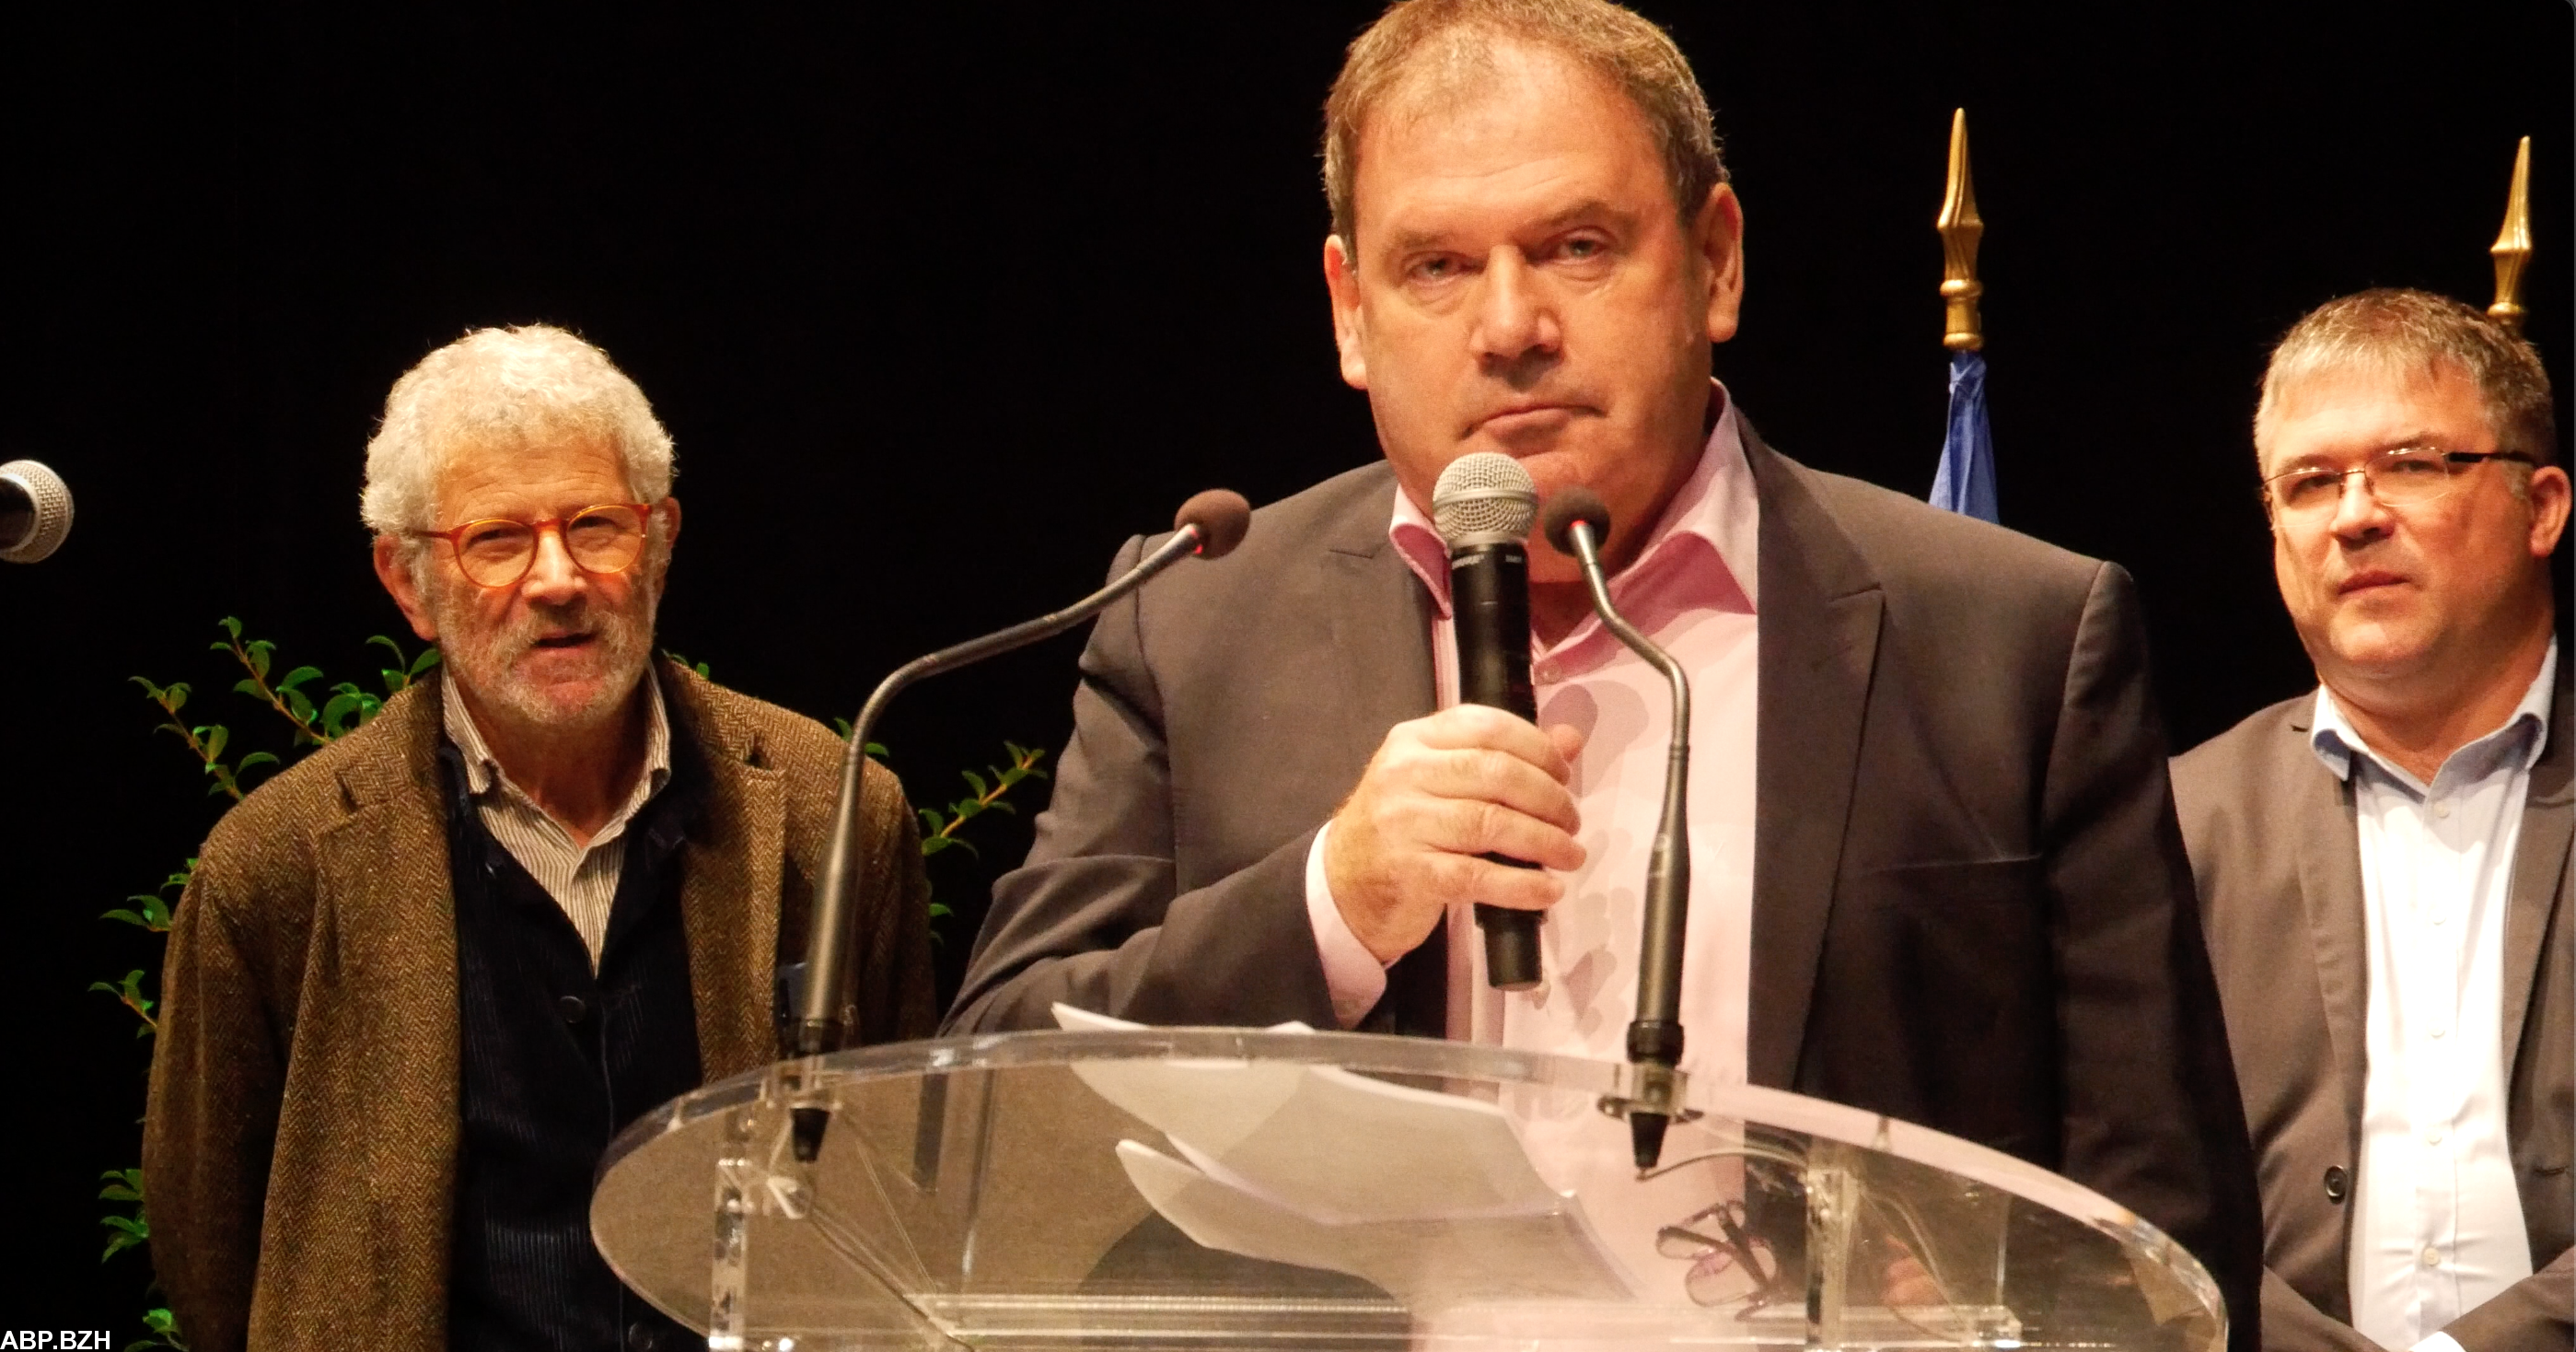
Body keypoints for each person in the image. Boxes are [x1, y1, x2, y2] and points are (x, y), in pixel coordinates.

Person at [946, 0, 2261, 1342]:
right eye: (1436, 268)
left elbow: (2165, 1228)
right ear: (1350, 312)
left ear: (1715, 261)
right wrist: (1330, 902)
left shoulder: (2007, 640)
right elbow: (1004, 1076)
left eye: (1576, 247)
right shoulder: (1198, 618)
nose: (1510, 326)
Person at [143, 325, 935, 1352]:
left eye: (595, 526)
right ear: (406, 583)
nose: (557, 578)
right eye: (497, 540)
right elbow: (212, 1254)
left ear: (658, 544)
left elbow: (906, 1182)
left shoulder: (837, 815)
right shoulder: (278, 864)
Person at [2173, 289, 2571, 1352]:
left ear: (2539, 507)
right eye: (2308, 483)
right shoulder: (2172, 822)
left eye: (2407, 463)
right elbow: (2129, 1184)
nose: (2352, 514)